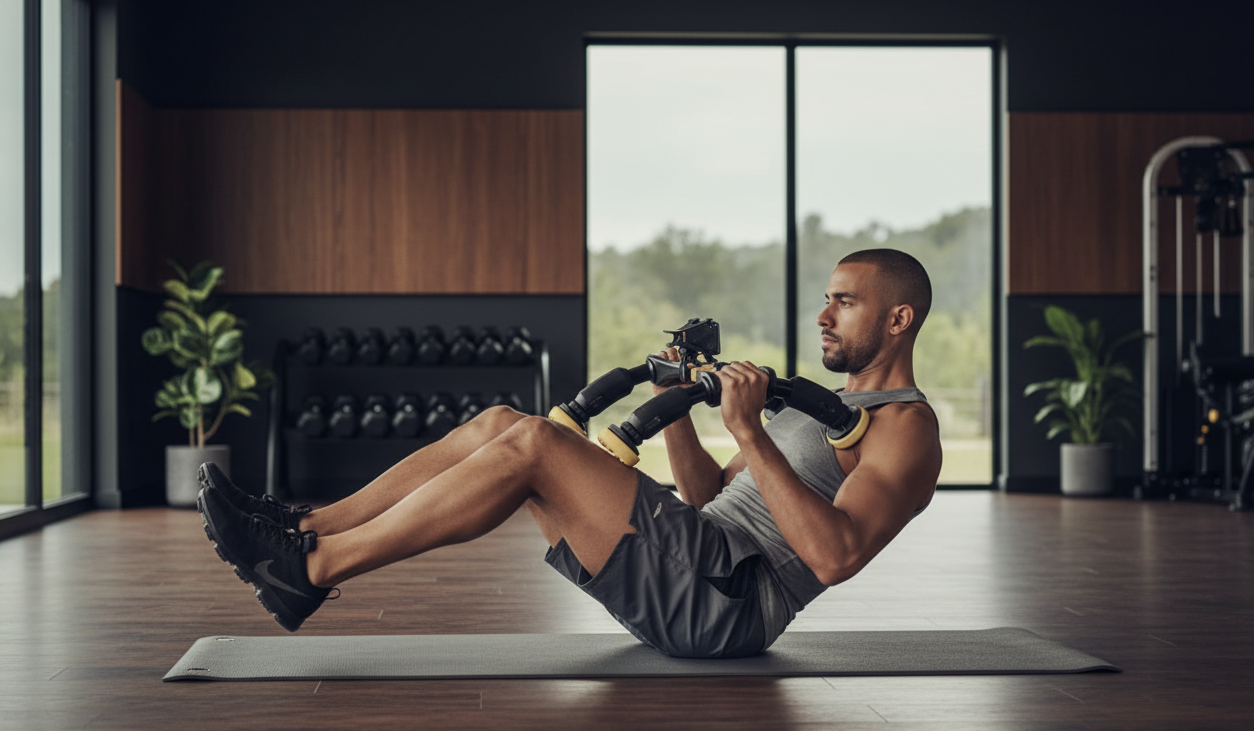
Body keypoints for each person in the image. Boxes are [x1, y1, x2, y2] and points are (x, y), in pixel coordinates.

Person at [197, 248, 942, 658]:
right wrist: (680, 403)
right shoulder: (825, 409)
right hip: (700, 564)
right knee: (502, 424)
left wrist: (748, 431)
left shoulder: (906, 427)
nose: (823, 314)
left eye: (845, 301)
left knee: (535, 443)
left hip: (730, 605)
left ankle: (312, 571)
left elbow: (836, 557)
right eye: (827, 297)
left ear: (898, 319)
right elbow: (706, 499)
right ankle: (305, 528)